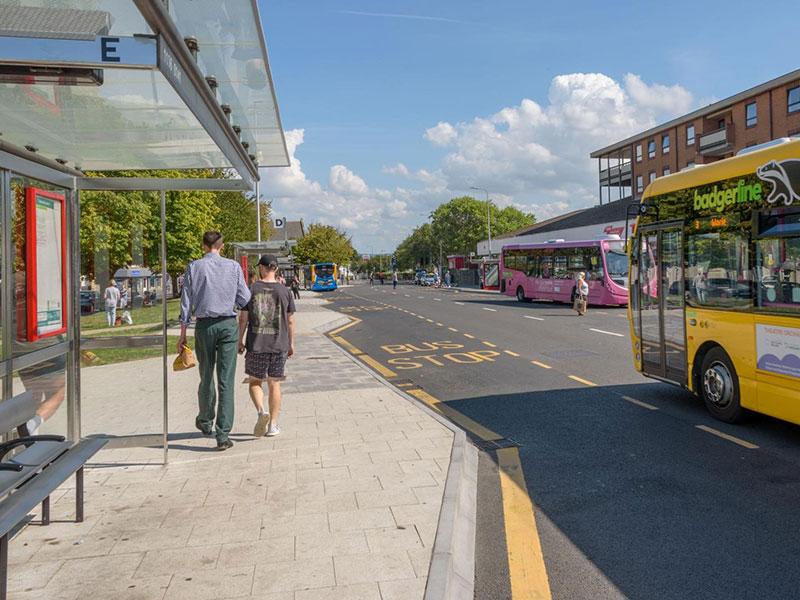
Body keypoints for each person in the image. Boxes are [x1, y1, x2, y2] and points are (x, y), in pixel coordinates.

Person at [178, 231, 251, 451]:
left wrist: (182, 334)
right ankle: (222, 434)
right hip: (228, 325)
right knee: (226, 380)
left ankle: (205, 419)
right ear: (222, 245)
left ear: (203, 245)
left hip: (204, 326)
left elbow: (186, 302)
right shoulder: (233, 267)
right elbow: (245, 298)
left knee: (206, 375)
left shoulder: (194, 267)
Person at [238, 254, 295, 438]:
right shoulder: (284, 291)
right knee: (274, 383)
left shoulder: (251, 289)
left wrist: (240, 340)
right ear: (276, 269)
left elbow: (243, 318)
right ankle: (273, 425)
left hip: (256, 344)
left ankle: (262, 411)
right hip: (279, 344)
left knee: (255, 381)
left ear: (261, 268)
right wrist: (291, 344)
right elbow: (291, 320)